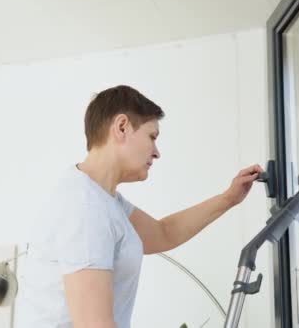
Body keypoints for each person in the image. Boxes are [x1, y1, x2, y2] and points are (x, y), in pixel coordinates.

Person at [15, 85, 263, 328]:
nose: (156, 153)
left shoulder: (104, 200)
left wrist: (229, 198)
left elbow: (164, 233)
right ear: (122, 127)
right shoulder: (85, 208)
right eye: (152, 136)